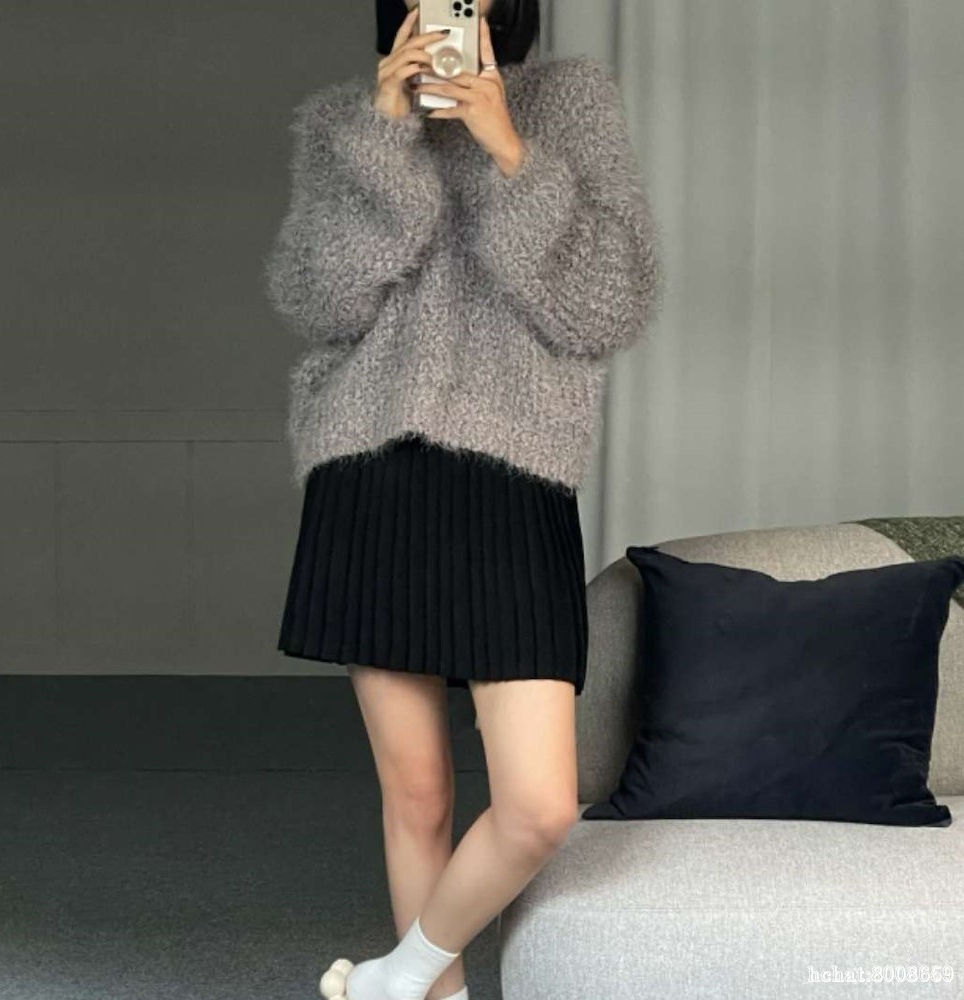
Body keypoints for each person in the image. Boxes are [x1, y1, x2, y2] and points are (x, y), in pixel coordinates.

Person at [262, 1, 663, 997]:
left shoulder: (569, 106)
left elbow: (607, 306)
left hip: (511, 476)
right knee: (416, 794)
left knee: (536, 804)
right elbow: (316, 303)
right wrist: (383, 140)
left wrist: (509, 153)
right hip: (371, 475)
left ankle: (395, 977)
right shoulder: (343, 124)